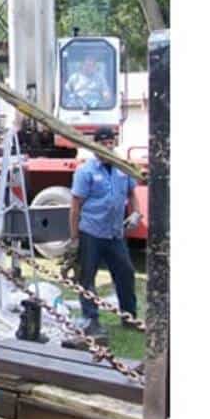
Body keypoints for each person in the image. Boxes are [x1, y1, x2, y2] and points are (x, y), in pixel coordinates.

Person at [66, 127, 142, 340]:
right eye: (103, 143)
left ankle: (129, 317)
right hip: (91, 232)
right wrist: (74, 239)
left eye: (111, 143)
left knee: (125, 273)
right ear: (95, 146)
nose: (108, 147)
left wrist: (136, 212)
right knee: (87, 276)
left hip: (115, 233)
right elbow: (75, 206)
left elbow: (132, 193)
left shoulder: (122, 168)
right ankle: (91, 319)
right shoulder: (86, 171)